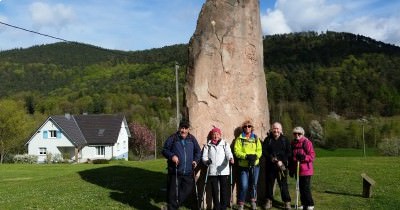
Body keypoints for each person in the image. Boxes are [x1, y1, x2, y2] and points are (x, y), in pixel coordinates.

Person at [162, 120, 201, 210]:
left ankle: (172, 206)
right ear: (179, 128)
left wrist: (195, 160)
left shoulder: (192, 139)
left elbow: (198, 151)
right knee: (173, 195)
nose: (183, 130)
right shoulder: (173, 138)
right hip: (175, 171)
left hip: (188, 172)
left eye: (185, 128)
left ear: (188, 129)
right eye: (182, 128)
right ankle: (172, 207)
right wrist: (172, 156)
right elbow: (164, 150)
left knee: (186, 191)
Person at [202, 126, 234, 210]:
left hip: (223, 170)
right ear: (211, 135)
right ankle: (217, 206)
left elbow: (228, 153)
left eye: (217, 134)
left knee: (223, 190)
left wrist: (231, 158)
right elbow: (204, 157)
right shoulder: (207, 145)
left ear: (220, 135)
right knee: (214, 191)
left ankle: (223, 207)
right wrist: (206, 161)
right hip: (212, 171)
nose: (216, 136)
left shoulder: (225, 144)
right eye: (214, 134)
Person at [233, 120, 262, 210]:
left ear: (252, 128)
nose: (247, 128)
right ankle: (241, 203)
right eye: (245, 126)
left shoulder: (256, 138)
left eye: (249, 126)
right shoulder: (239, 138)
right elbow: (236, 151)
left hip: (254, 165)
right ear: (243, 128)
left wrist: (255, 156)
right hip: (243, 165)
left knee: (253, 184)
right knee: (244, 185)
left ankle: (253, 201)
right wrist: (245, 156)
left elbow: (259, 150)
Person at [262, 122, 292, 209]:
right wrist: (271, 158)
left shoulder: (285, 140)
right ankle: (268, 201)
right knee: (269, 184)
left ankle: (287, 202)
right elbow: (264, 151)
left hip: (282, 167)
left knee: (283, 184)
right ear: (272, 129)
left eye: (277, 128)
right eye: (274, 128)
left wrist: (282, 161)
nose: (276, 130)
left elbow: (289, 152)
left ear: (281, 130)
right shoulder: (268, 139)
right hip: (270, 166)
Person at [289, 126, 316, 210]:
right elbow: (291, 157)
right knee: (299, 187)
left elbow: (312, 156)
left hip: (306, 170)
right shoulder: (293, 143)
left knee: (306, 188)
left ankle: (310, 204)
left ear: (302, 134)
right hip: (297, 169)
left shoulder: (307, 142)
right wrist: (291, 169)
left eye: (299, 134)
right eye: (295, 134)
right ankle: (304, 204)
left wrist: (304, 157)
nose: (297, 135)